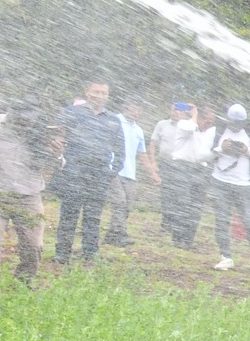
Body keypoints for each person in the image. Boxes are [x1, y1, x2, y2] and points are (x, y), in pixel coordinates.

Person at [0, 107, 59, 287]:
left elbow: (54, 166)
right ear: (11, 114)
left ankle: (23, 284)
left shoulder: (42, 132)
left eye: (29, 120)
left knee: (34, 245)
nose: (24, 124)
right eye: (20, 119)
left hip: (29, 197)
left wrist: (57, 155)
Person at [50, 79, 122, 267]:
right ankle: (62, 254)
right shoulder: (71, 113)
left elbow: (120, 150)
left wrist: (111, 173)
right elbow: (58, 138)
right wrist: (62, 164)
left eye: (103, 93)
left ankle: (90, 253)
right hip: (74, 171)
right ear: (87, 92)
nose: (99, 96)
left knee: (93, 215)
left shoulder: (113, 120)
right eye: (95, 92)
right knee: (69, 213)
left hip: (99, 174)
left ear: (108, 95)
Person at [203, 104, 250, 273]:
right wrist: (220, 149)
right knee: (221, 221)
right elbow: (201, 156)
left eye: (239, 124)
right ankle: (226, 257)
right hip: (220, 182)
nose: (235, 127)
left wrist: (247, 151)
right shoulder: (215, 132)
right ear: (227, 119)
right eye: (233, 123)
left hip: (245, 185)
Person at [103, 97, 156, 249]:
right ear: (126, 107)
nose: (136, 112)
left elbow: (142, 153)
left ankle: (113, 233)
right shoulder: (114, 121)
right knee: (119, 200)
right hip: (113, 168)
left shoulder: (138, 130)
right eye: (133, 108)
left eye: (139, 109)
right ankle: (120, 233)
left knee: (128, 204)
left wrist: (152, 172)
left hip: (130, 172)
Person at [152, 102, 207, 248]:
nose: (178, 112)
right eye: (175, 109)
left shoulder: (199, 129)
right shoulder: (177, 124)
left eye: (181, 110)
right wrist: (193, 115)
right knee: (177, 201)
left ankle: (187, 239)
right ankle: (175, 232)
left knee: (192, 205)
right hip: (176, 166)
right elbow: (154, 143)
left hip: (195, 169)